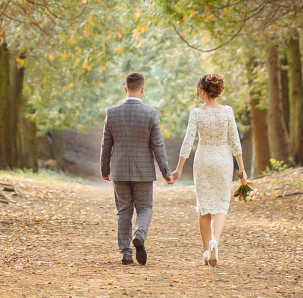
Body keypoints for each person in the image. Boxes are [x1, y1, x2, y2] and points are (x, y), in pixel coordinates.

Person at [168, 74, 247, 266]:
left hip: (203, 160)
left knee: (204, 208)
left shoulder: (197, 113)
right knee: (220, 205)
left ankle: (206, 251)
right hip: (223, 160)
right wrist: (242, 171)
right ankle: (215, 243)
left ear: (202, 91)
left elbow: (188, 142)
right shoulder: (227, 111)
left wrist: (178, 168)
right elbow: (235, 142)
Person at [100, 72, 174, 266]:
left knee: (123, 211)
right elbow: (158, 145)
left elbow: (106, 145)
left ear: (126, 89)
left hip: (119, 170)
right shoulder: (151, 114)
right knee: (145, 207)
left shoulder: (112, 113)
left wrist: (104, 168)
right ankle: (139, 235)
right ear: (142, 90)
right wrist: (166, 172)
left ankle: (126, 253)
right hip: (143, 171)